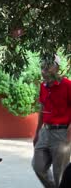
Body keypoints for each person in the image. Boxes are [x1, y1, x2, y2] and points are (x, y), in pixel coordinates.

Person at [32, 56, 71, 188]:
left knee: (59, 174)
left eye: (47, 67)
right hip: (45, 131)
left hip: (62, 133)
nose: (44, 71)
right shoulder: (43, 86)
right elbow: (42, 108)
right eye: (42, 67)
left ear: (57, 68)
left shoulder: (67, 85)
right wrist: (37, 133)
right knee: (38, 166)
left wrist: (69, 133)